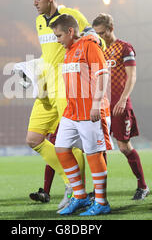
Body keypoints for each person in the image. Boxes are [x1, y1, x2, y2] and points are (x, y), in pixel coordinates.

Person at [27, 0, 102, 209]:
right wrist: (32, 73)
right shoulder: (39, 21)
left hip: (67, 86)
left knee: (72, 143)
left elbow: (95, 38)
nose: (35, 3)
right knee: (34, 139)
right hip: (45, 85)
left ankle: (77, 194)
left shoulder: (71, 15)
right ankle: (72, 183)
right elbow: (47, 54)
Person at [50, 14, 111, 216]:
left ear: (70, 31)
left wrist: (96, 104)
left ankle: (101, 202)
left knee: (93, 154)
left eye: (59, 35)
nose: (57, 40)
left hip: (90, 110)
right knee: (61, 148)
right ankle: (80, 196)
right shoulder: (69, 51)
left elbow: (103, 74)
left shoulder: (89, 45)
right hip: (72, 111)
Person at [92, 13, 149, 200]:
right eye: (97, 33)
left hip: (119, 104)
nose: (101, 36)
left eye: (103, 32)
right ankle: (99, 191)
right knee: (99, 148)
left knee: (124, 147)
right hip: (102, 106)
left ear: (111, 28)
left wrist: (124, 99)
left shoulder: (125, 48)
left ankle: (142, 185)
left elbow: (132, 76)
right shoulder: (99, 50)